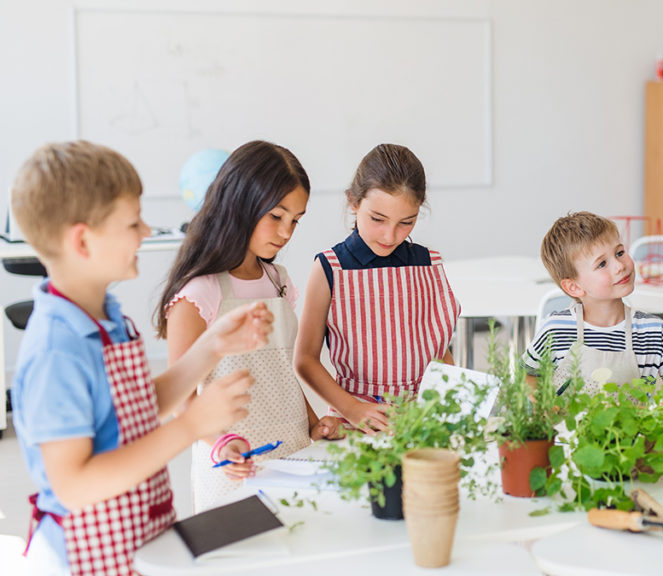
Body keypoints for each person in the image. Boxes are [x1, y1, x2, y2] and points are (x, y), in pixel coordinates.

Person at [10, 141, 266, 574]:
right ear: (83, 241)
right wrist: (190, 425)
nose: (147, 231)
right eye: (132, 222)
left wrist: (212, 345)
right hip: (85, 556)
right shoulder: (58, 350)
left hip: (134, 539)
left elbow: (136, 408)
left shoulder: (106, 316)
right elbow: (74, 485)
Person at [156, 140, 341, 511]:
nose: (286, 232)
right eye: (276, 216)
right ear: (238, 203)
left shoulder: (280, 280)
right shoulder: (198, 292)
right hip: (231, 464)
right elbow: (180, 399)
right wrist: (222, 443)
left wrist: (312, 422)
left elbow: (282, 371)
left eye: (295, 220)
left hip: (294, 455)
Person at [294, 143, 460, 434]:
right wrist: (352, 409)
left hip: (425, 417)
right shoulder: (330, 268)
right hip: (355, 418)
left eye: (406, 222)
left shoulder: (429, 264)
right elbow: (305, 360)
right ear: (353, 202)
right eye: (378, 219)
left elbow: (439, 347)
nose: (390, 235)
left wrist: (451, 402)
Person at [523, 211, 663, 394]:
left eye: (619, 253)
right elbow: (528, 376)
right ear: (574, 287)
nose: (620, 266)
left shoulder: (655, 332)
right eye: (602, 264)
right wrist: (545, 405)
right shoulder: (555, 329)